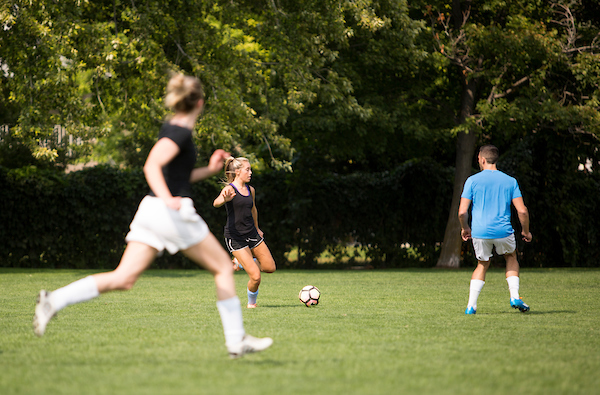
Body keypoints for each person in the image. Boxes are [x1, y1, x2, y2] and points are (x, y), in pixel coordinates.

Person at [33, 74, 273, 358]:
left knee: (124, 278)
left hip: (151, 210)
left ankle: (53, 300)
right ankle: (236, 341)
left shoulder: (172, 127)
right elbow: (152, 166)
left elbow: (178, 176)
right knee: (223, 266)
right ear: (200, 103)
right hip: (169, 210)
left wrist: (209, 170)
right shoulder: (180, 132)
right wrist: (168, 198)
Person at [458, 144, 533, 315]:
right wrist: (526, 231)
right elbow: (522, 210)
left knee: (482, 264)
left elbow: (462, 212)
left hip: (479, 232)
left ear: (482, 160)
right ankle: (514, 296)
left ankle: (471, 306)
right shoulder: (510, 181)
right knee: (511, 256)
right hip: (503, 231)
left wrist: (465, 228)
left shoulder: (472, 181)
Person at [213, 157, 276, 309]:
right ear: (237, 171)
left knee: (270, 268)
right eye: (247, 169)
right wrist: (224, 199)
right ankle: (251, 304)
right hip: (235, 237)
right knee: (255, 276)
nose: (250, 172)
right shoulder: (229, 189)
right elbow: (216, 203)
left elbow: (253, 209)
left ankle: (240, 262)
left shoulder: (250, 190)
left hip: (252, 233)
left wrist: (257, 228)